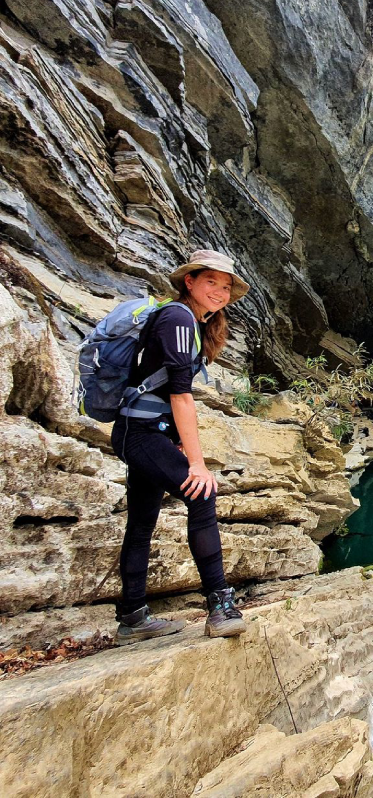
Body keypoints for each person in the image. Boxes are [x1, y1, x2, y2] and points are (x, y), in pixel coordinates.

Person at [111, 249, 250, 645]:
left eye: (226, 287)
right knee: (201, 494)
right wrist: (197, 463)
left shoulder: (191, 323)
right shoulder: (177, 317)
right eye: (212, 282)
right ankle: (221, 605)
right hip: (139, 435)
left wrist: (172, 439)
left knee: (141, 523)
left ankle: (133, 618)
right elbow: (180, 395)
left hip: (143, 432)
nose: (220, 292)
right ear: (189, 281)